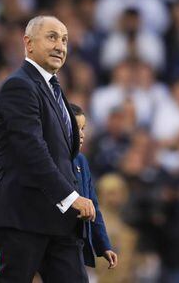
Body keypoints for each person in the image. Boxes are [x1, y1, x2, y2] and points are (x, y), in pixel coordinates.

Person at [0, 15, 96, 283]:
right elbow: (31, 150)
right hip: (24, 212)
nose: (61, 45)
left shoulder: (55, 91)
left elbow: (67, 159)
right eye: (52, 37)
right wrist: (70, 197)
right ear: (28, 43)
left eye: (65, 40)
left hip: (59, 219)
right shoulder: (19, 86)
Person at [70, 103, 118, 269]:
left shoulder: (82, 161)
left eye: (83, 128)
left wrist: (104, 245)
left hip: (73, 241)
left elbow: (93, 206)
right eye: (76, 128)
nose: (82, 134)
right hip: (49, 237)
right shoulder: (50, 159)